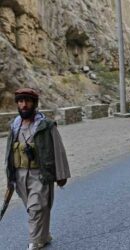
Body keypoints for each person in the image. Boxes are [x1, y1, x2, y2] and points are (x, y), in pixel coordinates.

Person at [4, 88, 71, 250]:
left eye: (28, 101)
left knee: (36, 208)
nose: (24, 105)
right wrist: (9, 176)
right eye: (20, 101)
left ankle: (36, 242)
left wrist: (61, 175)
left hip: (40, 174)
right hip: (20, 175)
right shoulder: (14, 126)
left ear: (34, 103)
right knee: (35, 209)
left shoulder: (46, 126)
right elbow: (9, 152)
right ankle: (45, 235)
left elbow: (58, 150)